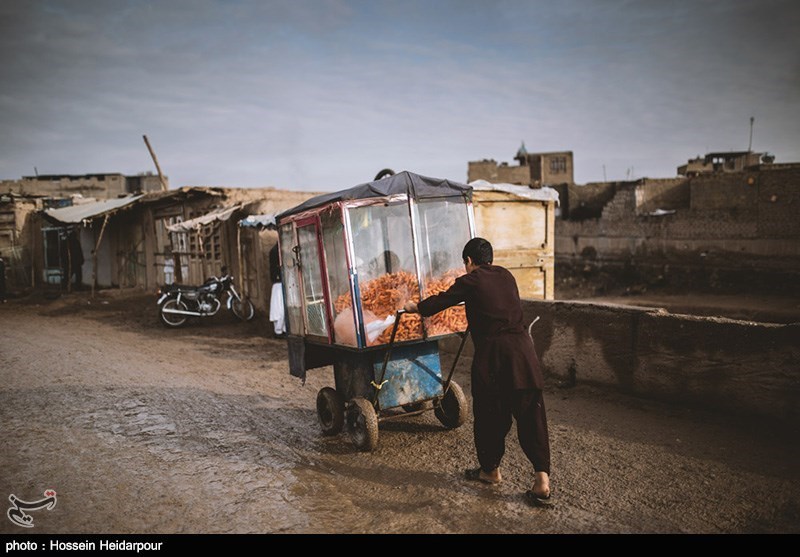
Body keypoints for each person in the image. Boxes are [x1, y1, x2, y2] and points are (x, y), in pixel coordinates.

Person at [403, 237, 553, 508]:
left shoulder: (471, 280)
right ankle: (542, 480)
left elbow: (442, 301)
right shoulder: (506, 276)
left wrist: (416, 307)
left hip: (494, 359)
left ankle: (490, 471)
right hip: (524, 356)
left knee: (489, 416)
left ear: (469, 261)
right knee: (532, 416)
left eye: (465, 263)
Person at [269, 244, 286, 337]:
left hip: (280, 281)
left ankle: (281, 329)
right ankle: (279, 330)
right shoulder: (276, 250)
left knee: (280, 308)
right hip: (279, 282)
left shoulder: (277, 249)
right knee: (280, 308)